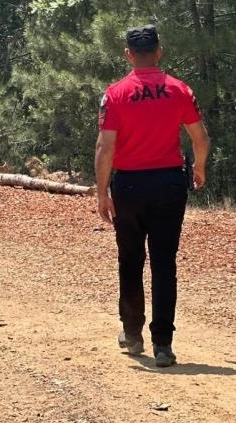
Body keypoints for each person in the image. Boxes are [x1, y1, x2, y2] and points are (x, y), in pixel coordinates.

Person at [94, 25, 210, 368]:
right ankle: (163, 344)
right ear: (159, 51)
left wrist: (102, 192)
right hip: (168, 184)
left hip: (129, 186)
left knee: (130, 260)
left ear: (128, 55)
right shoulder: (179, 89)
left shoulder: (115, 94)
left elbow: (105, 147)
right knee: (164, 263)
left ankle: (132, 334)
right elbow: (200, 137)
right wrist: (200, 166)